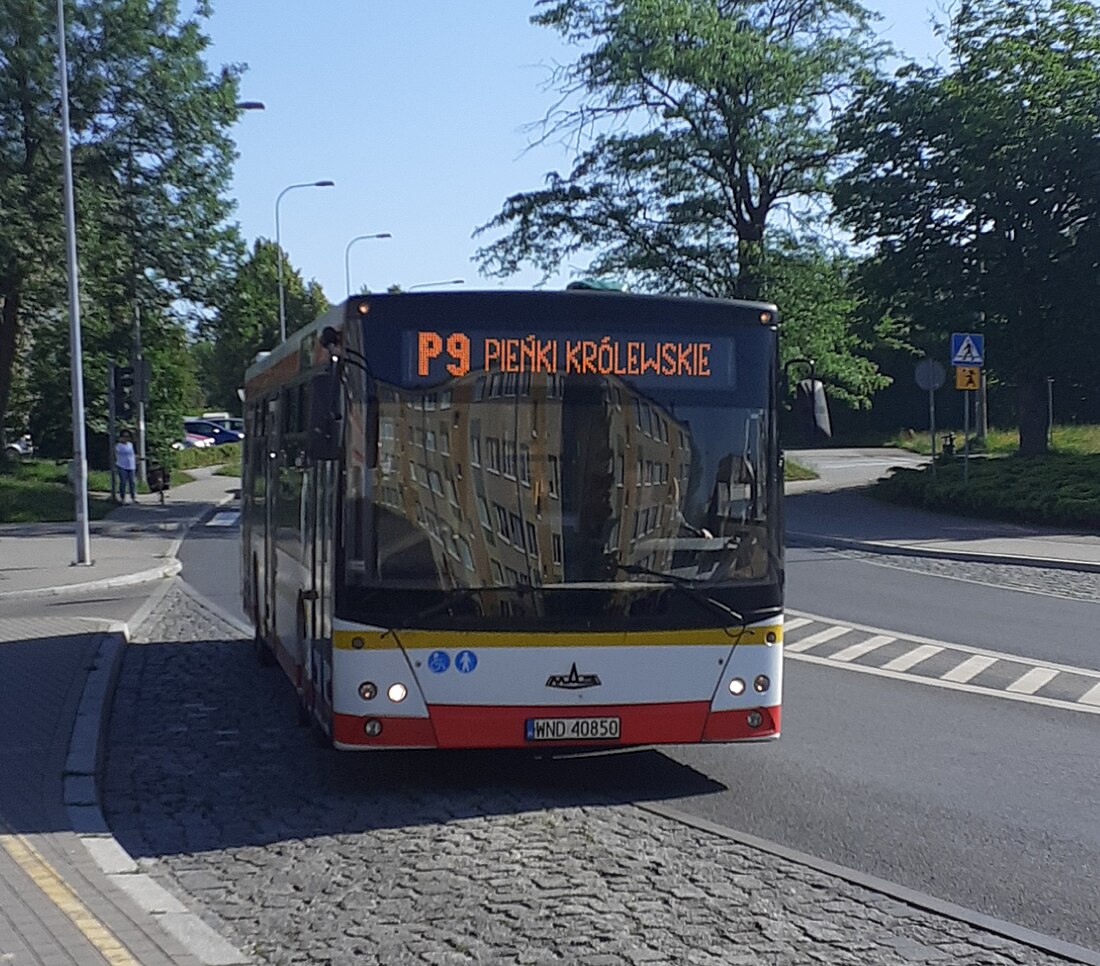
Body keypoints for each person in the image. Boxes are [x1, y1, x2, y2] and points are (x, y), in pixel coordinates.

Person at [116, 430, 137, 503]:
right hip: (122, 465)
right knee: (123, 482)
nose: (126, 438)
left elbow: (132, 454)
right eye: (124, 436)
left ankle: (133, 498)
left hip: (131, 465)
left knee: (132, 482)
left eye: (127, 436)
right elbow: (115, 454)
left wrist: (136, 458)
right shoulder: (118, 445)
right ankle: (122, 498)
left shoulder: (130, 445)